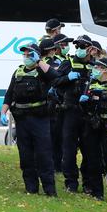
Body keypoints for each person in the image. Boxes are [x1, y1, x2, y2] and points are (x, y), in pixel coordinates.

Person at [1, 42, 59, 196]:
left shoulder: (42, 71)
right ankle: (31, 188)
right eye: (25, 54)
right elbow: (9, 94)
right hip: (22, 119)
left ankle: (49, 189)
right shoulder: (18, 72)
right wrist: (3, 112)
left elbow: (55, 76)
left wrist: (39, 61)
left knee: (44, 154)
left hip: (39, 119)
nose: (26, 57)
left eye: (29, 54)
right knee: (25, 155)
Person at [52, 34, 94, 193]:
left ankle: (88, 183)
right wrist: (67, 78)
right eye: (77, 46)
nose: (79, 49)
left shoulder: (95, 66)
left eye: (82, 47)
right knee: (69, 149)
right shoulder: (68, 63)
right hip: (70, 111)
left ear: (90, 48)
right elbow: (54, 81)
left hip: (88, 113)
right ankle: (71, 182)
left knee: (88, 149)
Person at [79, 57, 107, 203]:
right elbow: (85, 109)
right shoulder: (90, 85)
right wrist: (83, 104)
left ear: (105, 70)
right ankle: (97, 192)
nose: (95, 70)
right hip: (92, 125)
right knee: (93, 159)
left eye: (98, 67)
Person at [40, 37, 65, 173]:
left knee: (52, 137)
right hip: (52, 103)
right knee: (54, 137)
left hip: (50, 103)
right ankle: (55, 165)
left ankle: (54, 164)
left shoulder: (38, 63)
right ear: (52, 50)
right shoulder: (52, 63)